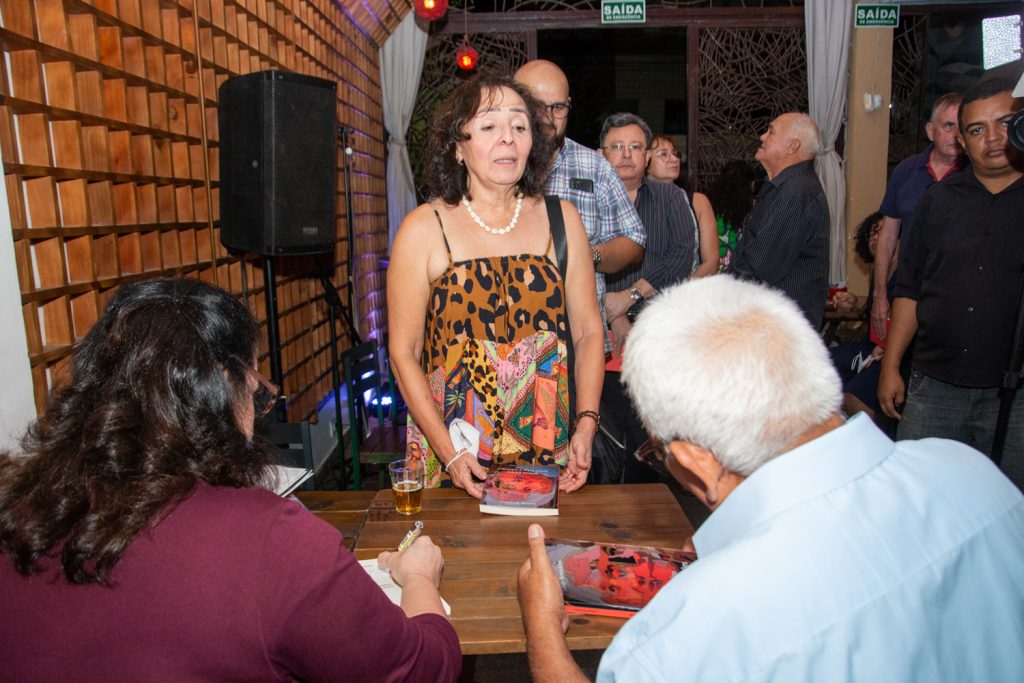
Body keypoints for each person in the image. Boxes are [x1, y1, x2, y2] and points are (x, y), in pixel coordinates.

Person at [517, 276, 1024, 683]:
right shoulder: (975, 475)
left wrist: (544, 636)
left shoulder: (700, 625)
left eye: (660, 454)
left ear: (697, 462)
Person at [0, 277, 461, 682]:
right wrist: (419, 578)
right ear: (222, 383)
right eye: (255, 389)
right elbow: (421, 668)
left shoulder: (17, 509)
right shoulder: (271, 541)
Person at [388, 73, 605, 499]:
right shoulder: (423, 228)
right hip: (453, 447)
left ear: (533, 144)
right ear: (458, 145)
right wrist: (446, 450)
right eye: (489, 126)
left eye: (519, 127)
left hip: (546, 447)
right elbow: (403, 353)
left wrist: (586, 424)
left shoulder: (563, 219)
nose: (507, 138)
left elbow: (589, 331)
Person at [879, 78, 1024, 490]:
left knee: (1010, 509)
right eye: (977, 129)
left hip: (1013, 397)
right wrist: (891, 367)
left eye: (1004, 123)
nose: (992, 138)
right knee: (920, 495)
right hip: (935, 386)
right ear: (961, 139)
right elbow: (910, 287)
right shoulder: (938, 200)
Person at [514, 60, 645, 352]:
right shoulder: (495, 165)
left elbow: (634, 241)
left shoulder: (594, 166)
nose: (547, 117)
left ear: (568, 107)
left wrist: (589, 256)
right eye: (536, 105)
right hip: (509, 344)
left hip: (580, 339)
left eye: (557, 107)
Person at [597, 113, 697, 483]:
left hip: (658, 335)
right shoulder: (588, 200)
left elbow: (681, 257)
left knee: (650, 445)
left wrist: (630, 295)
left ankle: (650, 528)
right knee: (604, 442)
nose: (626, 155)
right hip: (602, 338)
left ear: (647, 155)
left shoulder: (670, 197)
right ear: (600, 153)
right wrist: (613, 311)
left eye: (635, 147)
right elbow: (576, 262)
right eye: (617, 147)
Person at [870, 92, 964, 341]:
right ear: (930, 131)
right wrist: (879, 296)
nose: (955, 134)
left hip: (955, 297)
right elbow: (888, 238)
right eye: (948, 126)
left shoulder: (975, 176)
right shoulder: (906, 171)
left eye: (961, 126)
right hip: (906, 291)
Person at [726, 112, 830, 328]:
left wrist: (720, 297)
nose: (762, 136)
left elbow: (761, 268)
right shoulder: (783, 187)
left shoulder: (796, 192)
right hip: (769, 320)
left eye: (771, 132)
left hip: (779, 328)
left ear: (792, 146)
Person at [829, 212, 891, 422]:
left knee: (853, 397)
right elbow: (877, 307)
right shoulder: (877, 268)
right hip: (867, 344)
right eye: (871, 233)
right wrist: (856, 301)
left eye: (881, 232)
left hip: (886, 351)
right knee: (820, 361)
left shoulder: (905, 269)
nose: (875, 238)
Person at [645, 133, 719, 278]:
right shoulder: (635, 201)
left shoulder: (698, 202)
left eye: (675, 153)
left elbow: (712, 262)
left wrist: (682, 292)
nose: (674, 159)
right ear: (646, 163)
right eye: (663, 154)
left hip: (688, 293)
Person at [705, 159, 759, 271]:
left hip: (710, 268)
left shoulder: (708, 204)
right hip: (738, 271)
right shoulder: (755, 208)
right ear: (749, 184)